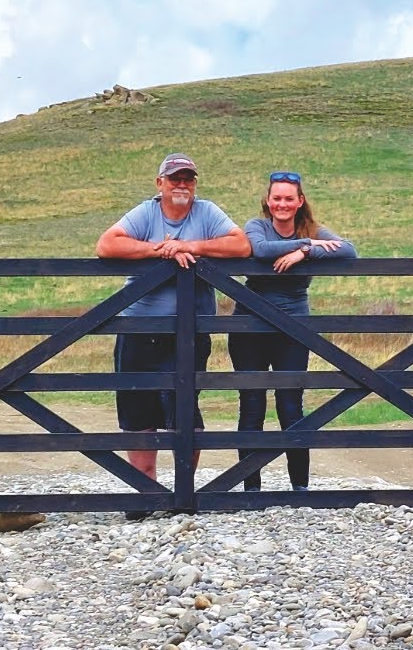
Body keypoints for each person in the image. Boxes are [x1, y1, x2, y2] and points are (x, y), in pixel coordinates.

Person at [95, 152, 250, 517]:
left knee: (184, 410)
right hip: (139, 327)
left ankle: (182, 495)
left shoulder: (207, 212)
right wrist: (158, 250)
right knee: (137, 411)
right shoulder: (146, 213)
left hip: (188, 332)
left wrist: (190, 246)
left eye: (188, 179)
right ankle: (144, 494)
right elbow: (106, 245)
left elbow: (241, 245)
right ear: (160, 183)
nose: (182, 185)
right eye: (175, 178)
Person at [228, 170, 357, 492]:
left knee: (291, 404)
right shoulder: (256, 226)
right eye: (276, 198)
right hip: (249, 327)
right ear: (268, 201)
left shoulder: (312, 230)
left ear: (300, 202)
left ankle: (299, 486)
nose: (282, 204)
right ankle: (250, 487)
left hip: (293, 327)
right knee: (252, 403)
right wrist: (309, 244)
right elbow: (259, 249)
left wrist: (304, 251)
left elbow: (349, 250)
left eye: (289, 198)